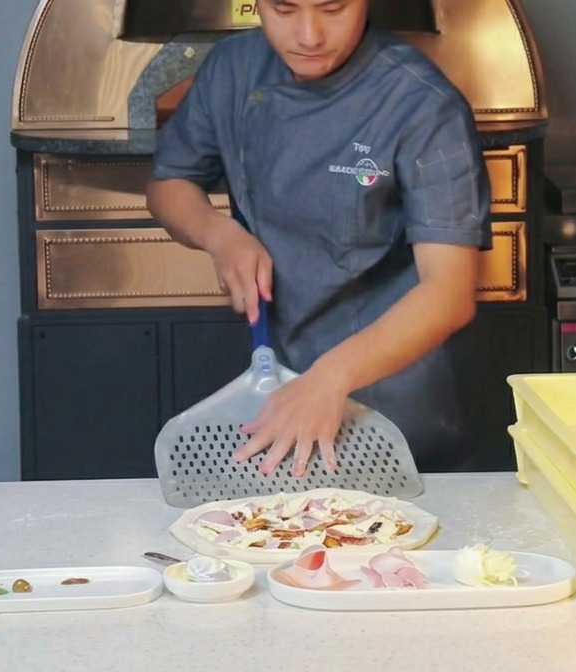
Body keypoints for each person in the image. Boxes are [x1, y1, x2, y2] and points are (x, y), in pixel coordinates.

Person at [147, 0, 491, 477]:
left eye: (332, 9)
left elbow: (448, 293)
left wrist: (330, 378)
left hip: (395, 410)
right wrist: (218, 233)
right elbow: (169, 184)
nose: (309, 36)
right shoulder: (232, 69)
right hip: (274, 385)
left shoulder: (422, 103)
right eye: (284, 9)